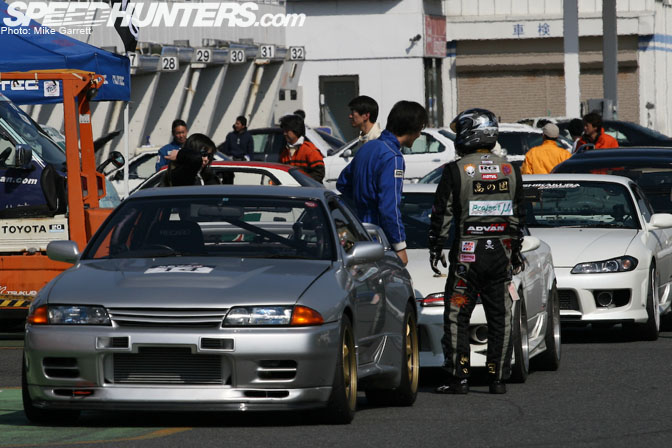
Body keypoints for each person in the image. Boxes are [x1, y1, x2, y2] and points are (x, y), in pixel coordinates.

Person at [428, 108, 525, 395]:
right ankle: (498, 378)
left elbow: (441, 213)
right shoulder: (510, 169)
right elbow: (518, 217)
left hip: (467, 257)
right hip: (501, 255)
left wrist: (436, 246)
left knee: (457, 314)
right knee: (501, 316)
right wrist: (515, 250)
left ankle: (459, 378)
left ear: (471, 134)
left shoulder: (455, 170)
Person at [337, 100, 428, 266]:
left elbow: (342, 183)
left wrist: (361, 202)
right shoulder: (393, 157)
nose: (419, 135)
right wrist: (400, 247)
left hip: (357, 235)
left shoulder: (368, 147)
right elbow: (389, 208)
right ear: (413, 128)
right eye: (420, 130)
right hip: (376, 241)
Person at [279, 114, 325, 183]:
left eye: (287, 131)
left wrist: (301, 181)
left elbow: (319, 174)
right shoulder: (284, 152)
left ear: (296, 130)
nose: (284, 133)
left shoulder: (310, 150)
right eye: (284, 130)